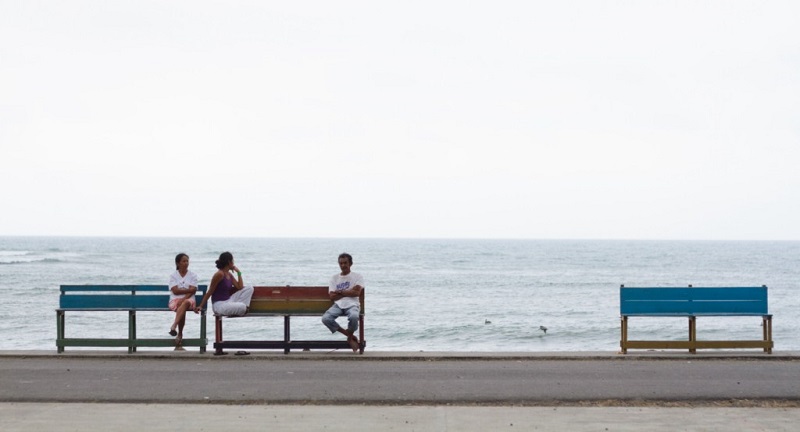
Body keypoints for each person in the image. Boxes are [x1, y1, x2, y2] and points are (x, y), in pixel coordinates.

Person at [321, 253, 364, 353]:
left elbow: (357, 293)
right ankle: (350, 336)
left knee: (354, 317)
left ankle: (349, 338)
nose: (343, 265)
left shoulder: (357, 277)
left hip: (353, 304)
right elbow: (332, 296)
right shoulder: (334, 278)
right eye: (341, 263)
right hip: (338, 305)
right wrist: (349, 291)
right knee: (326, 319)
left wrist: (340, 291)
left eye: (345, 263)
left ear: (351, 263)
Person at [195, 251, 254, 317]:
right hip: (219, 305)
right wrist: (200, 306)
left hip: (229, 301)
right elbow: (210, 292)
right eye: (232, 261)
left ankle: (243, 309)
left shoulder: (229, 274)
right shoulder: (219, 274)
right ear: (229, 262)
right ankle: (243, 309)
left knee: (249, 288)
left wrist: (238, 272)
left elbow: (240, 287)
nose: (233, 262)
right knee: (242, 306)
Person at [168, 253, 198, 351]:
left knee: (184, 303)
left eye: (187, 261)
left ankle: (174, 325)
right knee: (182, 306)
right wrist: (189, 290)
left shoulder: (192, 275)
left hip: (189, 300)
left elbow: (193, 290)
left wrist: (184, 297)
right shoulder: (173, 276)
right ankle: (180, 333)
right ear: (178, 263)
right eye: (183, 261)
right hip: (175, 300)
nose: (186, 263)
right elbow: (175, 291)